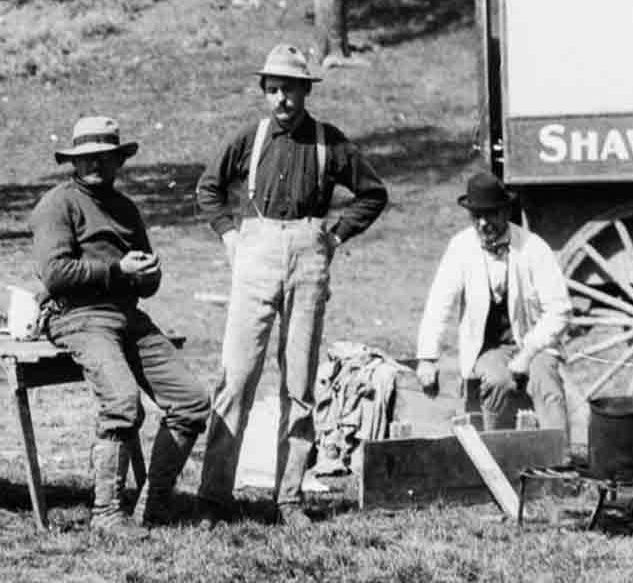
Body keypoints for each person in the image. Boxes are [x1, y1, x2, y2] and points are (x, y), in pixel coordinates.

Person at [193, 44, 389, 527]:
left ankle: (288, 498)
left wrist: (336, 234)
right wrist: (231, 236)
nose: (282, 99)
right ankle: (214, 498)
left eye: (291, 90)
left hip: (308, 255)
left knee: (299, 383)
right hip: (255, 254)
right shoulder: (249, 138)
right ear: (264, 91)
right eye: (274, 89)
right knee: (236, 377)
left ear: (306, 91)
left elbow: (372, 194)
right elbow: (209, 189)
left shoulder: (330, 141)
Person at [31, 115, 210, 532]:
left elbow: (144, 282)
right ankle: (107, 514)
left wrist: (149, 275)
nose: (97, 165)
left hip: (128, 316)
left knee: (192, 402)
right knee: (122, 404)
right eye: (88, 158)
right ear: (74, 162)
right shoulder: (58, 204)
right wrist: (118, 270)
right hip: (77, 317)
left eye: (106, 157)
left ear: (119, 160)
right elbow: (55, 273)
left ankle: (154, 505)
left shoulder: (126, 208)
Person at [414, 170, 570, 432]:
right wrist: (427, 357)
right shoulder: (460, 247)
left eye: (491, 215)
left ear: (506, 212)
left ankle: (559, 462)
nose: (483, 224)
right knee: (498, 381)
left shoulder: (533, 247)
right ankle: (497, 459)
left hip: (533, 342)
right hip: (489, 347)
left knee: (547, 382)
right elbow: (439, 304)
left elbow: (560, 311)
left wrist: (528, 352)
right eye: (477, 216)